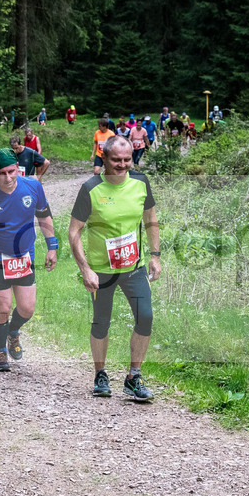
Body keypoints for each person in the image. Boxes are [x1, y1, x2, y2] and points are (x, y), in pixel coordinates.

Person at [67, 135, 160, 402]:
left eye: (127, 160)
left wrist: (155, 256)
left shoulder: (141, 182)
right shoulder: (90, 188)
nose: (122, 165)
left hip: (133, 267)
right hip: (101, 271)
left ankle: (133, 377)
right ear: (104, 158)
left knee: (146, 316)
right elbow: (74, 232)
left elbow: (151, 219)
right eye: (116, 160)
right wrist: (85, 268)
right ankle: (100, 374)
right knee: (101, 322)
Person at [0, 149, 58, 372]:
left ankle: (13, 332)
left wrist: (52, 246)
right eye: (1, 174)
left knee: (27, 309)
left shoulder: (33, 186)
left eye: (11, 171)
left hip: (24, 257)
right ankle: (0, 351)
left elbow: (44, 216)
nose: (7, 178)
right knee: (3, 307)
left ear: (18, 167)